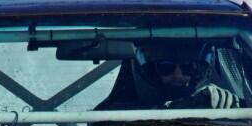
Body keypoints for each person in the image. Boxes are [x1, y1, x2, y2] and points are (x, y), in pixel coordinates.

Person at [95, 42, 240, 111]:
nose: (178, 75)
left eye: (188, 67)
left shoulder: (210, 104)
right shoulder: (111, 115)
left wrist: (224, 104)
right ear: (150, 71)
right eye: (166, 68)